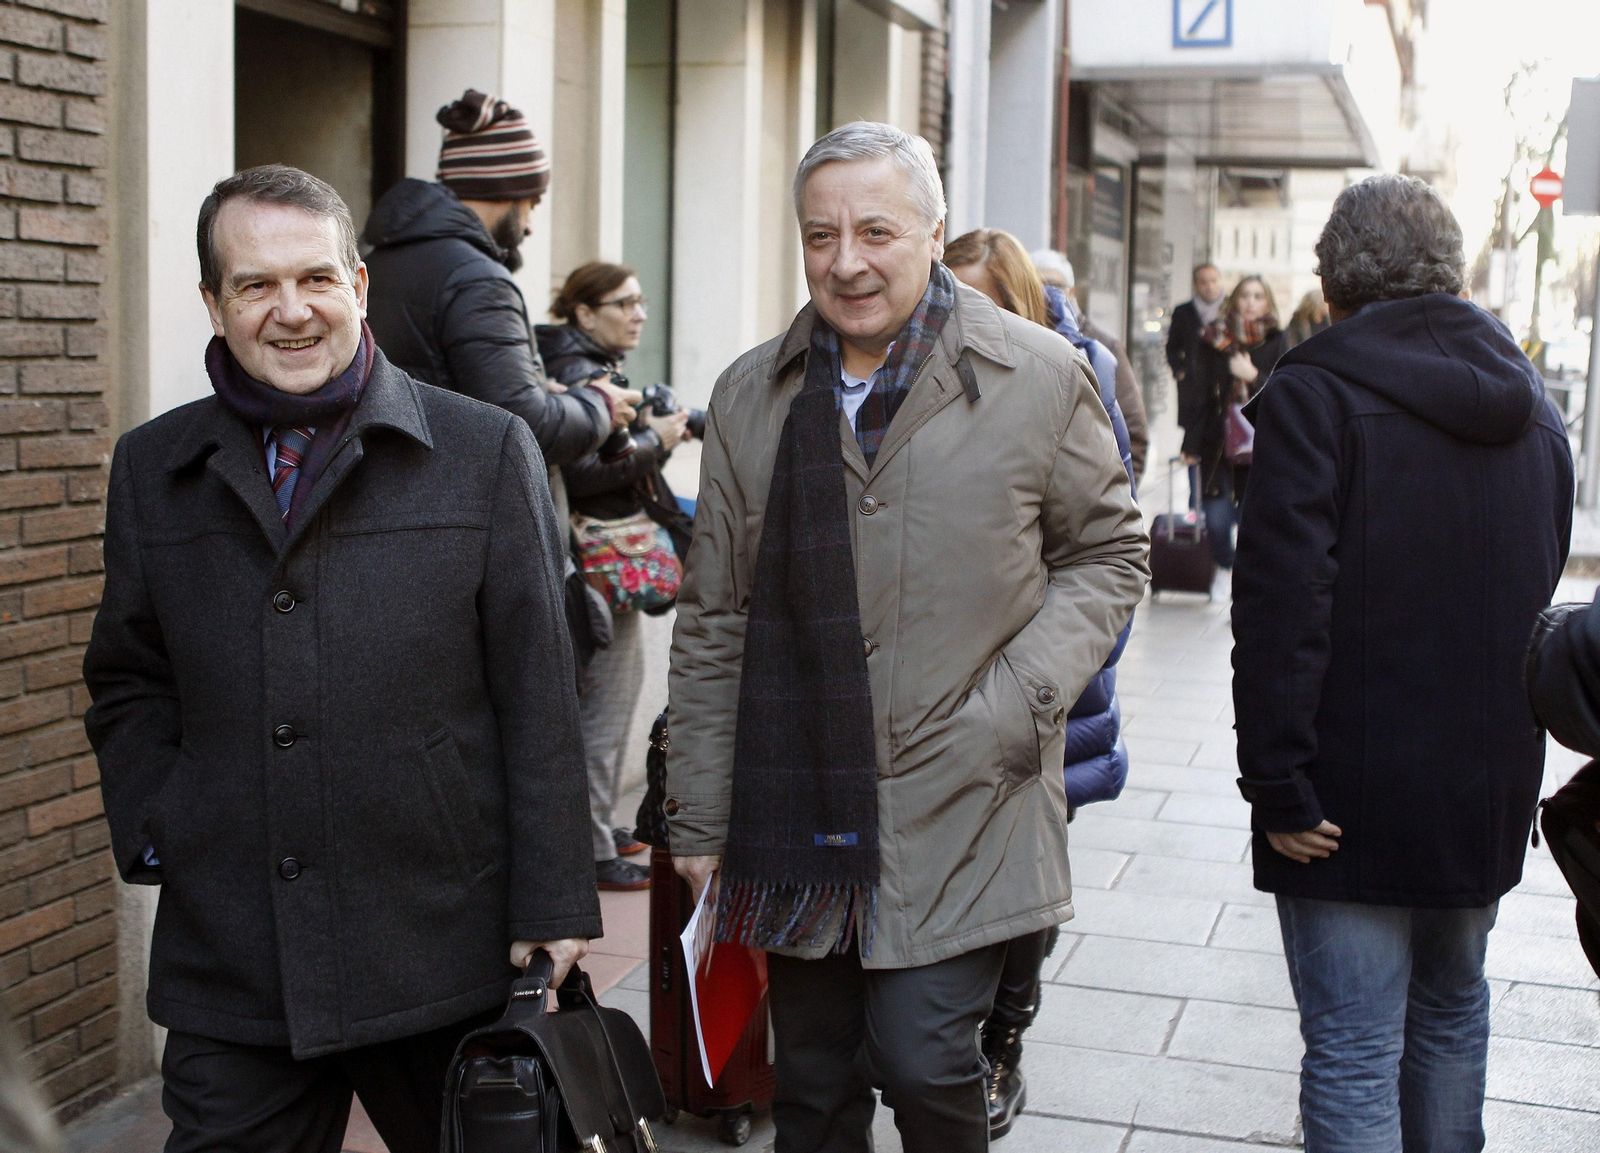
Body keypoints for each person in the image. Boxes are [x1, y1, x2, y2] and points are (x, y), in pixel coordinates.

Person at [83, 166, 601, 1153]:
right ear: (213, 302)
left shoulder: (483, 450)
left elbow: (536, 687)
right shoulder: (154, 469)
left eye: (316, 278)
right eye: (255, 285)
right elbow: (129, 674)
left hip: (443, 945)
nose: (292, 311)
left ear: (358, 287)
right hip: (235, 956)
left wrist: (553, 898)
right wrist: (168, 826)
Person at [665, 122, 1148, 1152]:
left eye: (875, 230)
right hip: (798, 796)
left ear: (934, 231)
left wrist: (1015, 704)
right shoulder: (754, 394)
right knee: (814, 1086)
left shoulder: (1036, 374)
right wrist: (699, 816)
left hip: (964, 789)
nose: (846, 260)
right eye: (819, 234)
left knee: (926, 1061)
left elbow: (1109, 554)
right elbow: (713, 616)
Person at [1232, 173, 1573, 1152]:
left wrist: (1278, 782)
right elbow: (1538, 586)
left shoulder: (1311, 398)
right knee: (1452, 1011)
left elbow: (1279, 610)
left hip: (1342, 798)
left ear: (1331, 283)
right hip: (1482, 791)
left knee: (1349, 1044)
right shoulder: (1532, 407)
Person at [947, 227, 1136, 1139]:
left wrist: (1043, 684)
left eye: (974, 299)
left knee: (1023, 882)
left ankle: (1001, 1045)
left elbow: (1109, 551)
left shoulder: (1070, 376)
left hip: (1046, 691)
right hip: (947, 690)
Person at [360, 89, 640, 524]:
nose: (529, 224)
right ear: (506, 190)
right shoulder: (478, 279)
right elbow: (527, 427)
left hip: (401, 506)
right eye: (532, 202)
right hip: (471, 519)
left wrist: (537, 386)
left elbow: (445, 385)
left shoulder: (379, 260)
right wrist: (600, 402)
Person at [536, 262, 692, 892]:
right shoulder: (582, 376)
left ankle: (599, 827)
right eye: (623, 303)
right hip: (598, 566)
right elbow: (581, 474)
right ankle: (592, 847)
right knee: (604, 709)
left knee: (605, 704)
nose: (639, 314)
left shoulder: (582, 367)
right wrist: (654, 442)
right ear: (583, 312)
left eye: (641, 300)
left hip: (595, 563)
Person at [1182, 275, 1286, 576]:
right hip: (1218, 445)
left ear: (1267, 302)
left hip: (1262, 447)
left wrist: (1253, 375)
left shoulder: (1278, 339)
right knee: (1215, 520)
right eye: (1244, 296)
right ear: (1234, 300)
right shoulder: (1214, 339)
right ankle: (1225, 567)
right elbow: (1198, 395)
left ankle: (1244, 578)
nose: (1250, 303)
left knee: (1252, 522)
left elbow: (1286, 394)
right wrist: (1190, 444)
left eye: (1257, 296)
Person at [1031, 248, 1149, 480]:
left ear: (1072, 292)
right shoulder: (1019, 340)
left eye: (1054, 285)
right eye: (1036, 284)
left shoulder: (1102, 347)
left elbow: (1134, 434)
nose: (1045, 293)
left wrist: (1115, 502)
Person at [1167, 262, 1224, 427]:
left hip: (1222, 384)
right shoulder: (1183, 312)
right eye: (1204, 282)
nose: (1209, 286)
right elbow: (1172, 346)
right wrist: (1179, 371)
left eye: (1213, 281)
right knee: (1194, 431)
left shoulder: (1229, 310)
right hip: (1193, 384)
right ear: (1196, 285)